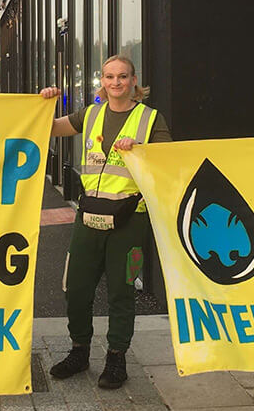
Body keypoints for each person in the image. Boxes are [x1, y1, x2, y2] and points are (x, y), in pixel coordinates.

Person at [40, 55, 171, 389]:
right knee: (77, 288)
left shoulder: (150, 119)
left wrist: (140, 149)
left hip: (130, 220)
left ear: (133, 80)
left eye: (123, 77)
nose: (116, 83)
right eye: (110, 77)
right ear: (102, 80)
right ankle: (79, 350)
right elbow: (53, 129)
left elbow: (168, 160)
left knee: (121, 290)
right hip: (89, 217)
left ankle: (116, 358)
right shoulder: (92, 113)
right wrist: (44, 104)